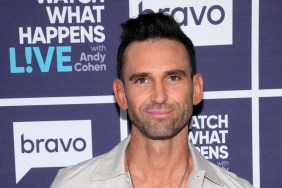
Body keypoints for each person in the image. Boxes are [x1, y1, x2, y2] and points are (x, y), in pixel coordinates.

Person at [51, 12, 254, 188]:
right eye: (142, 80)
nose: (159, 96)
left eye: (173, 78)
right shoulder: (73, 184)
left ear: (196, 89)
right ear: (121, 94)